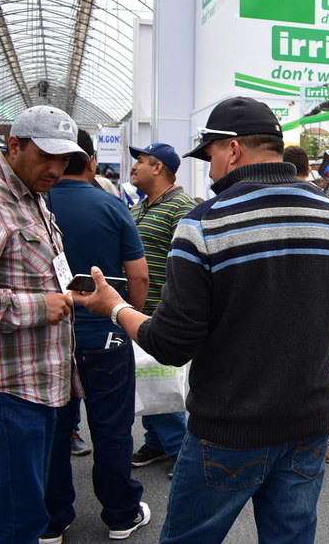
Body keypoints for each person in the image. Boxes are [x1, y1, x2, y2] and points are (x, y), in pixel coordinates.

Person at [71, 96, 329, 542]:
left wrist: (114, 308)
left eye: (210, 155)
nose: (210, 169)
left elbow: (171, 344)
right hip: (307, 426)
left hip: (228, 427)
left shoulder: (204, 224)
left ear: (232, 150)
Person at [0, 105, 82, 542]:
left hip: (39, 382)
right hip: (6, 386)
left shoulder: (31, 196)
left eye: (64, 159)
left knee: (25, 511)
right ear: (14, 145)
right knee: (16, 520)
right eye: (46, 156)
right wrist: (38, 307)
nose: (55, 169)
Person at [43, 129, 151, 542]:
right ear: (90, 161)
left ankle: (52, 521)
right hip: (106, 337)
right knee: (112, 430)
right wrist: (126, 317)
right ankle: (121, 515)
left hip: (50, 338)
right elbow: (138, 275)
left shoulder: (36, 203)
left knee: (54, 431)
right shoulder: (111, 205)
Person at [127, 142, 195, 477]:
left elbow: (185, 265)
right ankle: (156, 441)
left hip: (163, 312)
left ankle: (179, 448)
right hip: (138, 311)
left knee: (163, 380)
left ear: (158, 168)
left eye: (140, 160)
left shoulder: (182, 208)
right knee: (148, 380)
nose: (134, 166)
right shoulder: (139, 208)